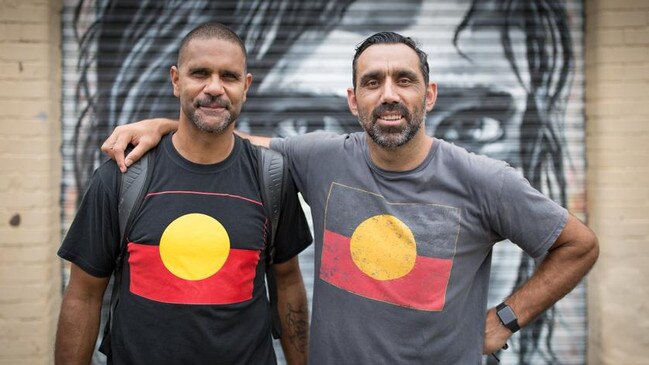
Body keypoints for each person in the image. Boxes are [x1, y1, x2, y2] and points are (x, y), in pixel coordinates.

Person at [101, 31, 598, 363]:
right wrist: (166, 124)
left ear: (428, 96)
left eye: (405, 81)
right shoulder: (320, 157)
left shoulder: (484, 179)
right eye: (372, 82)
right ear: (352, 99)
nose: (388, 95)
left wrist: (507, 318)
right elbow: (231, 141)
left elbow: (578, 245)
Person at [55, 23, 313, 365]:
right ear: (176, 80)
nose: (215, 88)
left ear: (246, 86)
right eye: (200, 73)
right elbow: (84, 295)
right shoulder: (123, 178)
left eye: (229, 77)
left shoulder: (272, 178)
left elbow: (288, 283)